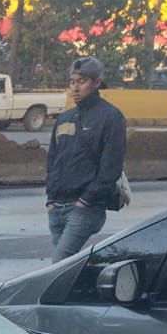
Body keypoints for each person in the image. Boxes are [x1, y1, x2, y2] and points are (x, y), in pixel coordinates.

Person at [44, 56, 127, 261]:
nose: (75, 88)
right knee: (64, 267)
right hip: (57, 208)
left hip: (85, 208)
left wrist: (86, 200)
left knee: (58, 264)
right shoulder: (65, 118)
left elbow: (111, 167)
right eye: (72, 82)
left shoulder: (111, 117)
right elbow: (53, 160)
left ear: (97, 82)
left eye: (82, 82)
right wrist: (50, 200)